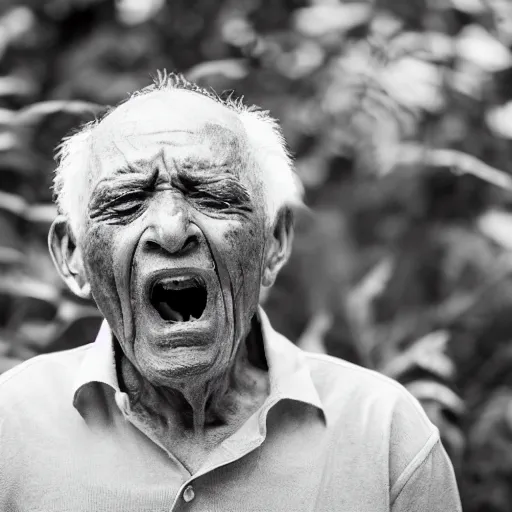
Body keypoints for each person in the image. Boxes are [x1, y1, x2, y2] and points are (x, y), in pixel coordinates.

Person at [0, 72, 461, 511]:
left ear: (274, 242)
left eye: (213, 195)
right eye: (125, 200)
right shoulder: (10, 430)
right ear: (72, 254)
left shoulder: (385, 436)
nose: (172, 229)